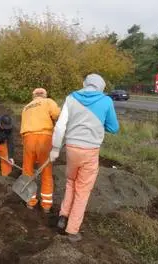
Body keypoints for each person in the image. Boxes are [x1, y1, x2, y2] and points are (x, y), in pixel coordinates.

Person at [49, 73, 119, 242]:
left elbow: (60, 127)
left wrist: (55, 149)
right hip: (90, 150)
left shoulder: (71, 98)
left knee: (71, 182)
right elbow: (114, 128)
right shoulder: (106, 101)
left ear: (84, 84)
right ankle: (72, 230)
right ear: (101, 87)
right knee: (83, 190)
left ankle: (63, 216)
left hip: (71, 149)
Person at [20, 88, 61, 213]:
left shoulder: (26, 107)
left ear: (33, 96)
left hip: (28, 139)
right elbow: (57, 115)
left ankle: (30, 201)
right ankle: (46, 205)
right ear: (44, 95)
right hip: (44, 138)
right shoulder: (48, 102)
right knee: (45, 170)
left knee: (27, 170)